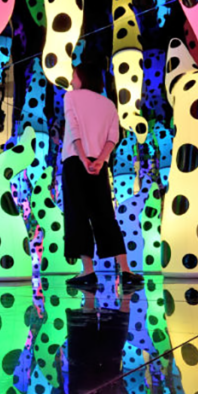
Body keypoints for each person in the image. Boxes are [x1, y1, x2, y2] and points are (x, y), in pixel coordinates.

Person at [61, 61, 143, 288]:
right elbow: (113, 136)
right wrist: (99, 160)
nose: (71, 80)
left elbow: (74, 127)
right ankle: (125, 270)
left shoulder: (71, 97)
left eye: (74, 76)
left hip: (75, 161)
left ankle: (87, 272)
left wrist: (83, 157)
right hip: (100, 164)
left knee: (77, 214)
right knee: (105, 215)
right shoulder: (108, 103)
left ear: (82, 77)